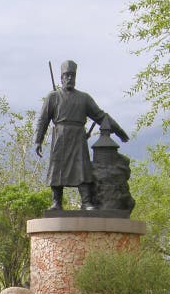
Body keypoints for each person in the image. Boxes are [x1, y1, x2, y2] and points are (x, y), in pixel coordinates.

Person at [34, 60, 129, 210]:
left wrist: (119, 131)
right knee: (57, 169)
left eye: (72, 75)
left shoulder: (84, 98)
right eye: (66, 75)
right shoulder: (53, 97)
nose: (70, 78)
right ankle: (56, 202)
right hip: (60, 137)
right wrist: (38, 140)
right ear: (61, 78)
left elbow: (101, 116)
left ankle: (86, 202)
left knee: (82, 168)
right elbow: (43, 119)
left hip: (78, 137)